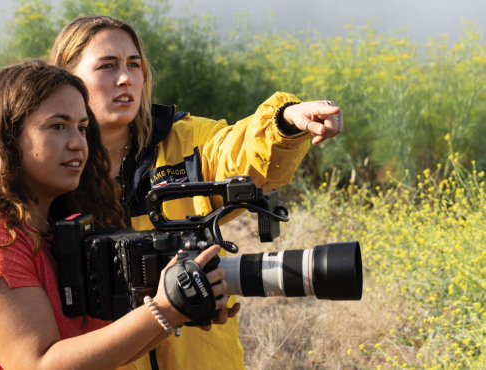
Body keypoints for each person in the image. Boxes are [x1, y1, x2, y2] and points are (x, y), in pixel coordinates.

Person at [49, 15, 345, 370]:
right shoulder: (49, 163)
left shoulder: (183, 139)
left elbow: (236, 152)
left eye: (134, 65)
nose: (125, 78)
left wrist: (284, 122)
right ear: (68, 79)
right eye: (107, 66)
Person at [0, 59, 230, 370]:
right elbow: (39, 363)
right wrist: (163, 310)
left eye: (83, 128)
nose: (78, 144)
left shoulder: (53, 228)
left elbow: (101, 354)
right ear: (8, 138)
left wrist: (180, 310)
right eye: (57, 126)